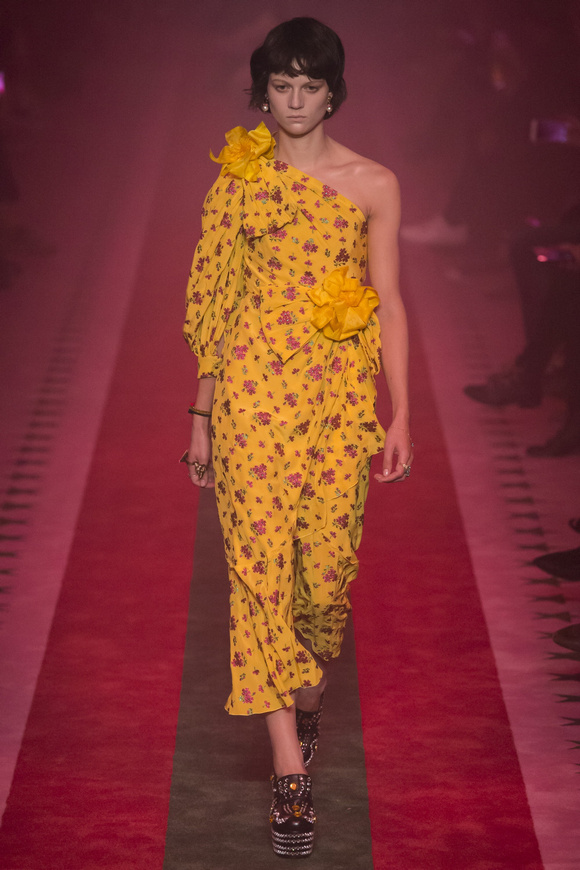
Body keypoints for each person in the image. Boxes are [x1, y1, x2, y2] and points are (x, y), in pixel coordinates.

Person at [182, 17, 412, 858]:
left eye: (310, 85)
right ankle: (289, 771)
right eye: (281, 85)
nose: (294, 101)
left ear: (333, 91)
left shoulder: (373, 183)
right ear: (263, 90)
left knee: (321, 580)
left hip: (337, 402)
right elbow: (216, 297)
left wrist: (402, 411)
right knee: (258, 575)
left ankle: (305, 702)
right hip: (251, 399)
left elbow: (389, 300)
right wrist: (201, 415)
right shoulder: (240, 179)